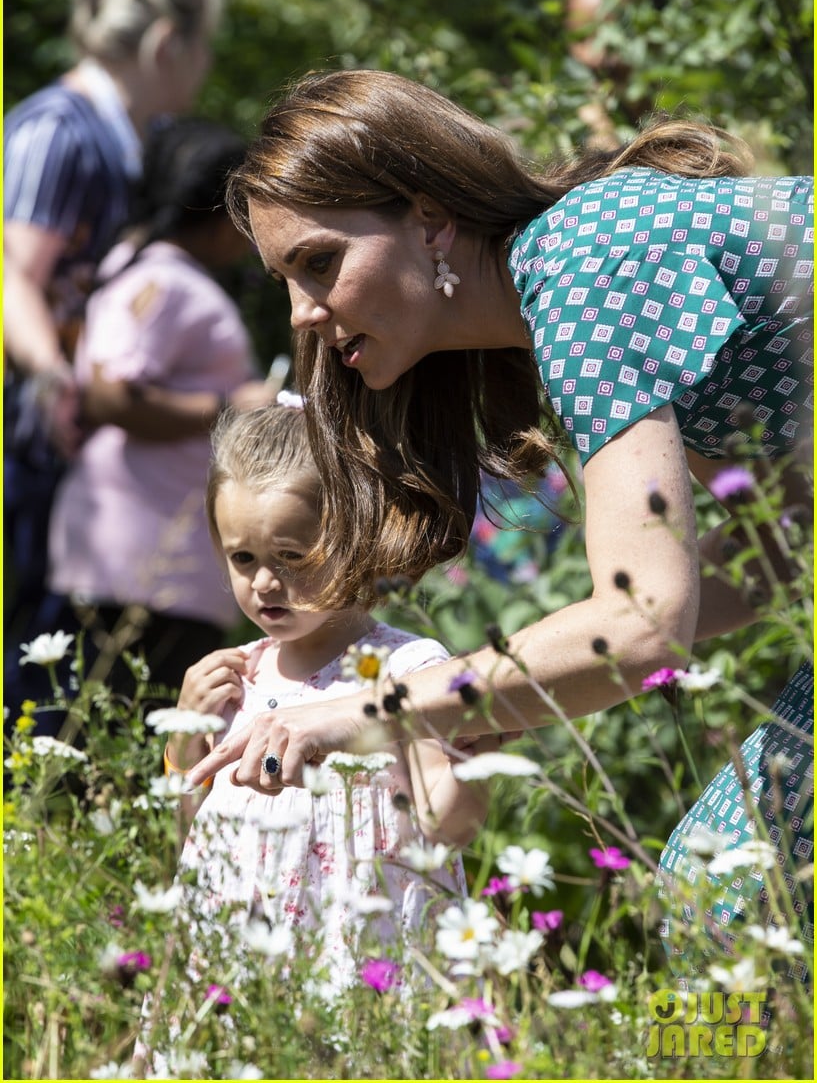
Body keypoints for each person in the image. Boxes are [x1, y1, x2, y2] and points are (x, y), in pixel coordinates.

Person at [188, 69, 813, 976]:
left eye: (321, 262)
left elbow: (641, 627)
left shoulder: (583, 269)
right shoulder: (565, 282)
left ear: (431, 218)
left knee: (724, 898)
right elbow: (779, 557)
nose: (303, 315)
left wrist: (361, 712)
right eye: (286, 278)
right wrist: (499, 694)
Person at [160, 402, 488, 996]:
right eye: (243, 558)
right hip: (237, 962)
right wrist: (186, 736)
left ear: (358, 535)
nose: (264, 582)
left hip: (354, 958)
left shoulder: (404, 673)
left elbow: (448, 825)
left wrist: (471, 757)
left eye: (291, 556)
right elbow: (193, 833)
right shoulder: (236, 677)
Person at [4, 117, 277, 736]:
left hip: (139, 557)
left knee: (97, 737)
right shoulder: (164, 281)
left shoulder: (140, 267)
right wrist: (231, 407)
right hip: (145, 564)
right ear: (218, 208)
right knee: (115, 737)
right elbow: (109, 393)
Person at [3, 0, 221, 648]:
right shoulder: (57, 128)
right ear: (167, 44)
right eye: (203, 48)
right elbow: (11, 273)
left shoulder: (118, 140)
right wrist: (51, 375)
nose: (206, 68)